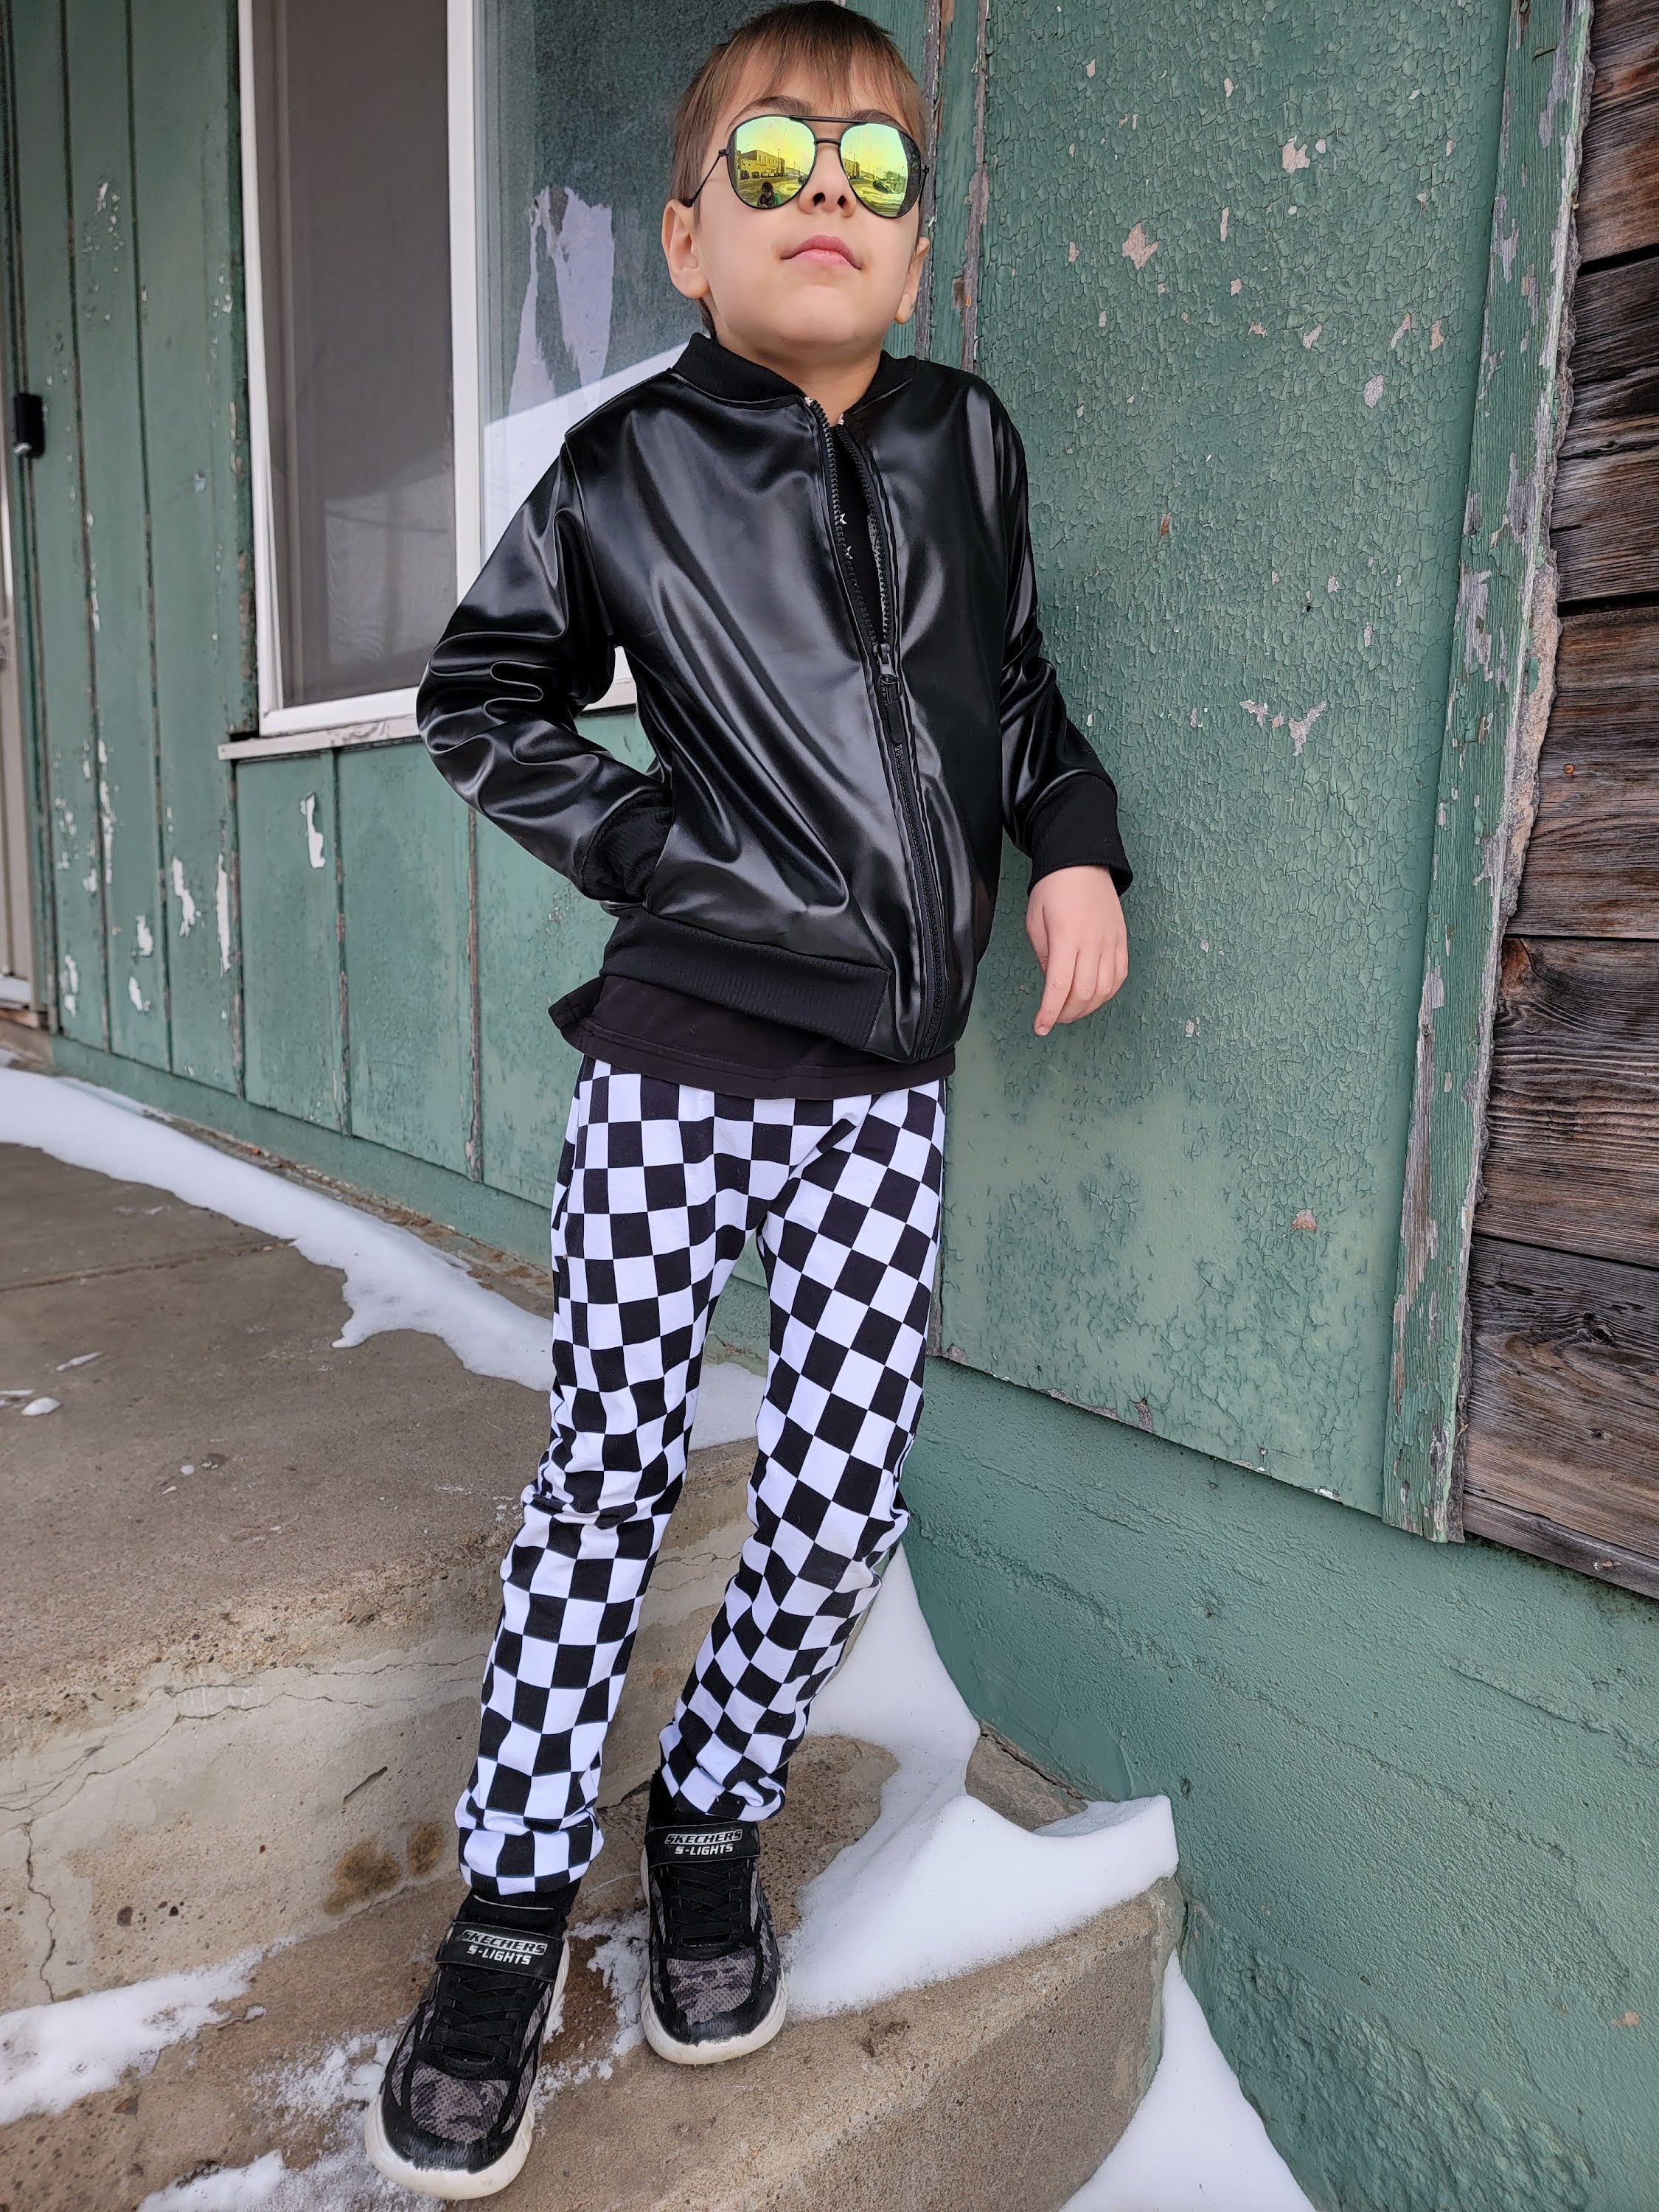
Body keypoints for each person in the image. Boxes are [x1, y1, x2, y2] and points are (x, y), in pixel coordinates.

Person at [365, 1, 1131, 2195]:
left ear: (916, 244)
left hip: (883, 1091)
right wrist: (656, 850)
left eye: (876, 171)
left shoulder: (966, 440)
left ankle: (706, 1820)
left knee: (840, 1487)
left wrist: (1070, 840)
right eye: (776, 163)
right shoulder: (625, 468)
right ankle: (513, 1908)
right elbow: (478, 697)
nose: (828, 199)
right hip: (677, 1066)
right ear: (688, 237)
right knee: (605, 1477)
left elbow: (1010, 690)